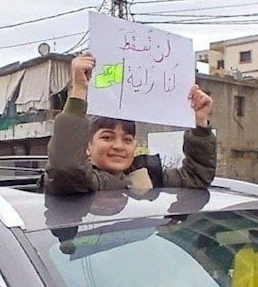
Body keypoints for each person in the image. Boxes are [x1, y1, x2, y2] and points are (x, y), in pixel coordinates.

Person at [44, 52, 216, 195]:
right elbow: (66, 167)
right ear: (88, 146)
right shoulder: (79, 183)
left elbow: (196, 177)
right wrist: (79, 90)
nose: (119, 146)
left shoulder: (149, 176)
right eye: (107, 137)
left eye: (127, 139)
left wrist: (200, 122)